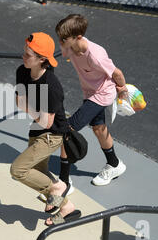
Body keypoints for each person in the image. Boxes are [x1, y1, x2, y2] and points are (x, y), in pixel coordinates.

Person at [10, 32, 81, 226]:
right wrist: (32, 111)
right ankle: (67, 207)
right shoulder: (22, 71)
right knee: (39, 174)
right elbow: (20, 103)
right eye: (24, 52)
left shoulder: (52, 86)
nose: (23, 57)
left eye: (28, 55)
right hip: (36, 130)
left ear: (42, 59)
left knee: (18, 170)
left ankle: (57, 187)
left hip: (52, 135)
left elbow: (47, 123)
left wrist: (28, 108)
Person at [55, 14, 128, 186]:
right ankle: (115, 164)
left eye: (63, 39)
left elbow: (117, 73)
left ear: (77, 37)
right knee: (99, 129)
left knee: (68, 129)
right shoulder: (71, 47)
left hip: (102, 94)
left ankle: (64, 182)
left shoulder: (96, 55)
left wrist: (123, 90)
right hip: (89, 93)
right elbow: (63, 53)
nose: (60, 42)